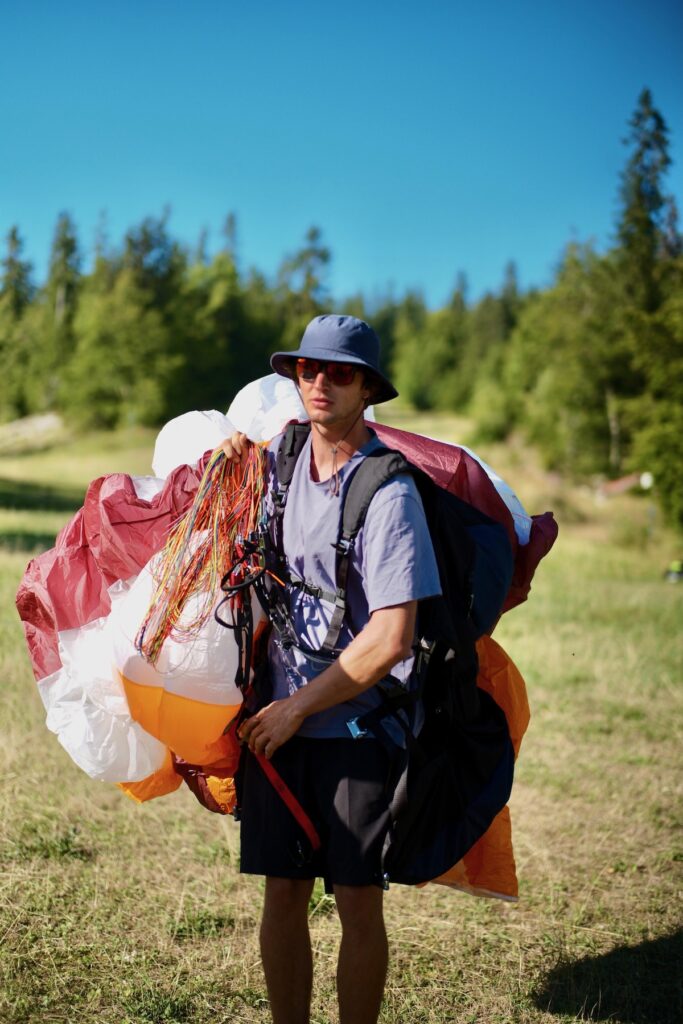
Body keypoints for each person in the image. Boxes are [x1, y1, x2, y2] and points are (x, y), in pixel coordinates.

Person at [221, 314, 441, 1024]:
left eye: (339, 372)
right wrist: (224, 452)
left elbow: (392, 637)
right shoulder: (278, 457)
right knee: (281, 894)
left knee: (355, 900)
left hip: (353, 730)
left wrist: (296, 708)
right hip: (276, 727)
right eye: (308, 369)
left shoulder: (387, 492)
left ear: (368, 388)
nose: (320, 382)